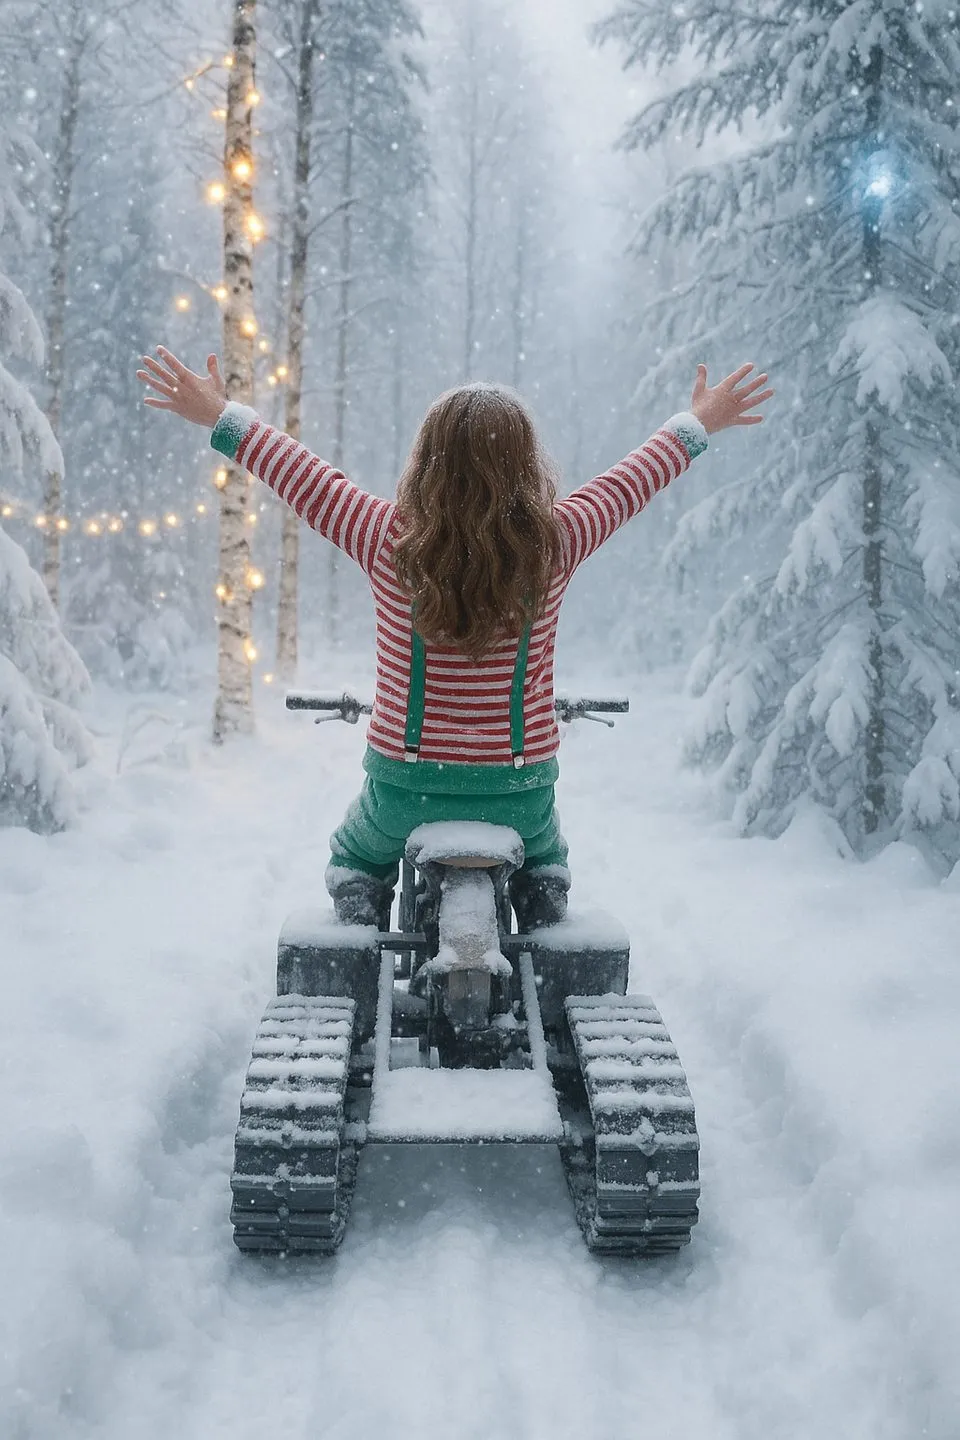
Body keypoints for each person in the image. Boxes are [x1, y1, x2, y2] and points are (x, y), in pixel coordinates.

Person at [137, 348, 772, 929]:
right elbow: (631, 480)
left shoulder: (384, 537)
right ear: (526, 466)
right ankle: (541, 904)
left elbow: (304, 477)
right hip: (518, 791)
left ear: (426, 463)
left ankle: (363, 932)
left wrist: (221, 415)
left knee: (354, 857)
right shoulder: (557, 542)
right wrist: (698, 423)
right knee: (547, 855)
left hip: (403, 790)